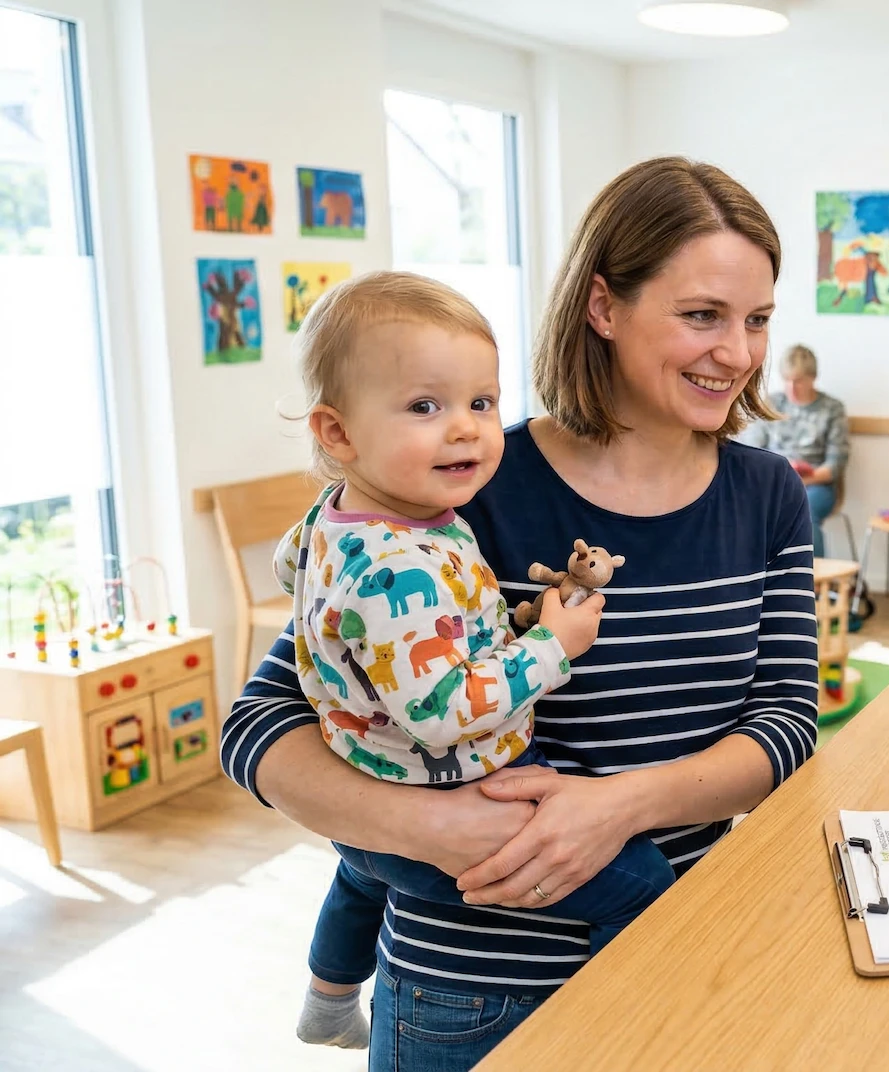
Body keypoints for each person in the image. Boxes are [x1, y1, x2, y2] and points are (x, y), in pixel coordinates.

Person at [220, 157, 818, 1070]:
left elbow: (786, 723)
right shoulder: (454, 481)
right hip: (468, 986)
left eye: (758, 320)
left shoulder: (768, 492)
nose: (737, 352)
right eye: (701, 314)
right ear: (603, 306)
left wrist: (619, 808)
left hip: (686, 953)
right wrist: (426, 828)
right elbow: (258, 725)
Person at [275, 272, 678, 1052]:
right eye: (425, 407)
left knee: (363, 868)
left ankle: (327, 999)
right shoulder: (406, 564)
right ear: (338, 433)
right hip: (446, 787)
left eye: (481, 403)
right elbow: (442, 712)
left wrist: (487, 626)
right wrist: (550, 646)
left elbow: (294, 575)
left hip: (366, 771)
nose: (464, 429)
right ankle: (615, 1032)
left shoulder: (341, 516)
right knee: (646, 888)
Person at [735, 343, 850, 557]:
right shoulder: (772, 404)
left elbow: (835, 463)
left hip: (816, 485)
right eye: (786, 380)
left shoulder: (832, 409)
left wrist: (802, 479)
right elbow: (750, 451)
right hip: (773, 481)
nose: (791, 388)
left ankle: (812, 584)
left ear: (812, 378)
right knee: (742, 506)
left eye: (798, 381)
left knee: (804, 509)